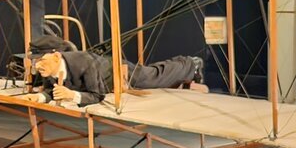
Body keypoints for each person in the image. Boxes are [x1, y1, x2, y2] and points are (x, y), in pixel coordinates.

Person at [25, 49, 205, 108]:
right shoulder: (50, 70)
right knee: (153, 75)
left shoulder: (84, 63)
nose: (37, 66)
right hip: (102, 79)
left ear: (56, 56)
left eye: (41, 60)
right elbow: (50, 90)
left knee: (152, 78)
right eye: (35, 62)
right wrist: (40, 97)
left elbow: (97, 95)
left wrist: (71, 95)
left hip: (115, 73)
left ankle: (190, 64)